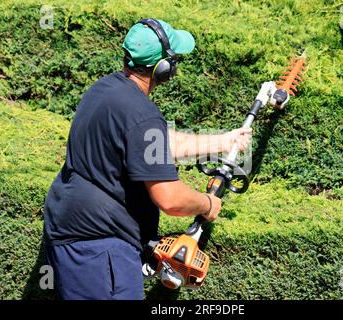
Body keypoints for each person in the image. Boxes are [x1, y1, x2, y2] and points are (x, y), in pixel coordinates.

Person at [43, 18, 252, 300]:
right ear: (162, 68)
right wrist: (208, 203)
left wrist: (222, 141)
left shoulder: (104, 90)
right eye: (173, 59)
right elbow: (170, 199)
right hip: (100, 245)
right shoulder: (143, 115)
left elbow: (156, 143)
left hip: (69, 224)